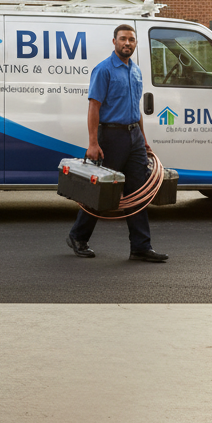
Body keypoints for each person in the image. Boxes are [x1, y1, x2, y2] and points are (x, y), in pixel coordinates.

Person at [66, 24, 169, 263]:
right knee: (103, 192)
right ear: (114, 42)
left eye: (131, 39)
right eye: (123, 39)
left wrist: (143, 140)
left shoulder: (136, 71)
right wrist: (93, 143)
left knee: (138, 191)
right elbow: (94, 107)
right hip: (111, 137)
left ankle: (141, 247)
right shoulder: (103, 70)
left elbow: (137, 109)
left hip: (133, 138)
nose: (128, 43)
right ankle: (78, 236)